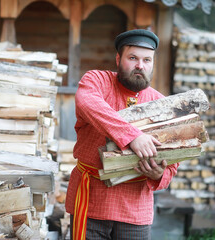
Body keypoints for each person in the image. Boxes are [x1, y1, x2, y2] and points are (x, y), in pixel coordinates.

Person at [65, 29, 180, 240]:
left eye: (147, 60)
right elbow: (86, 102)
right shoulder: (97, 80)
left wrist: (159, 176)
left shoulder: (161, 103)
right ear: (119, 59)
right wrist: (132, 136)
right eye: (133, 58)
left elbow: (172, 164)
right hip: (91, 203)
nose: (140, 65)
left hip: (135, 210)